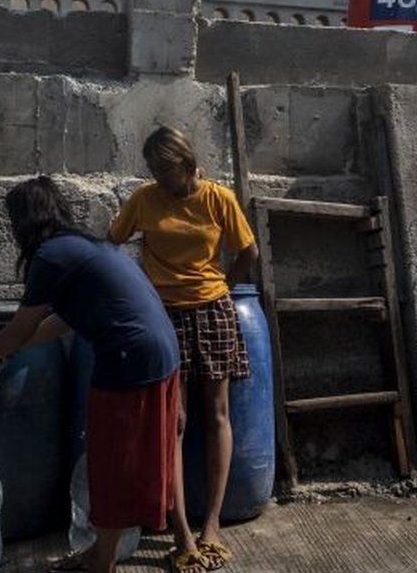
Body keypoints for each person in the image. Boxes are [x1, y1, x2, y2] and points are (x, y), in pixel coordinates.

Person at [0, 176, 206, 573]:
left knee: (112, 466)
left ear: (23, 221)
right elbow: (60, 323)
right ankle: (150, 547)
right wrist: (9, 351)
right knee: (151, 452)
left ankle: (101, 565)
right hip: (161, 350)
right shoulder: (86, 247)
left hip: (129, 360)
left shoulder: (51, 257)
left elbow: (20, 328)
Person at [108, 125, 258, 571]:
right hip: (161, 318)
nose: (158, 177)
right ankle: (181, 532)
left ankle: (211, 524)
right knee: (172, 420)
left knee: (216, 415)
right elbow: (112, 243)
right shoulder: (144, 200)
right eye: (153, 169)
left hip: (213, 312)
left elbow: (248, 252)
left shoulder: (218, 198)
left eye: (165, 169)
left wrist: (224, 289)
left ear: (186, 164)